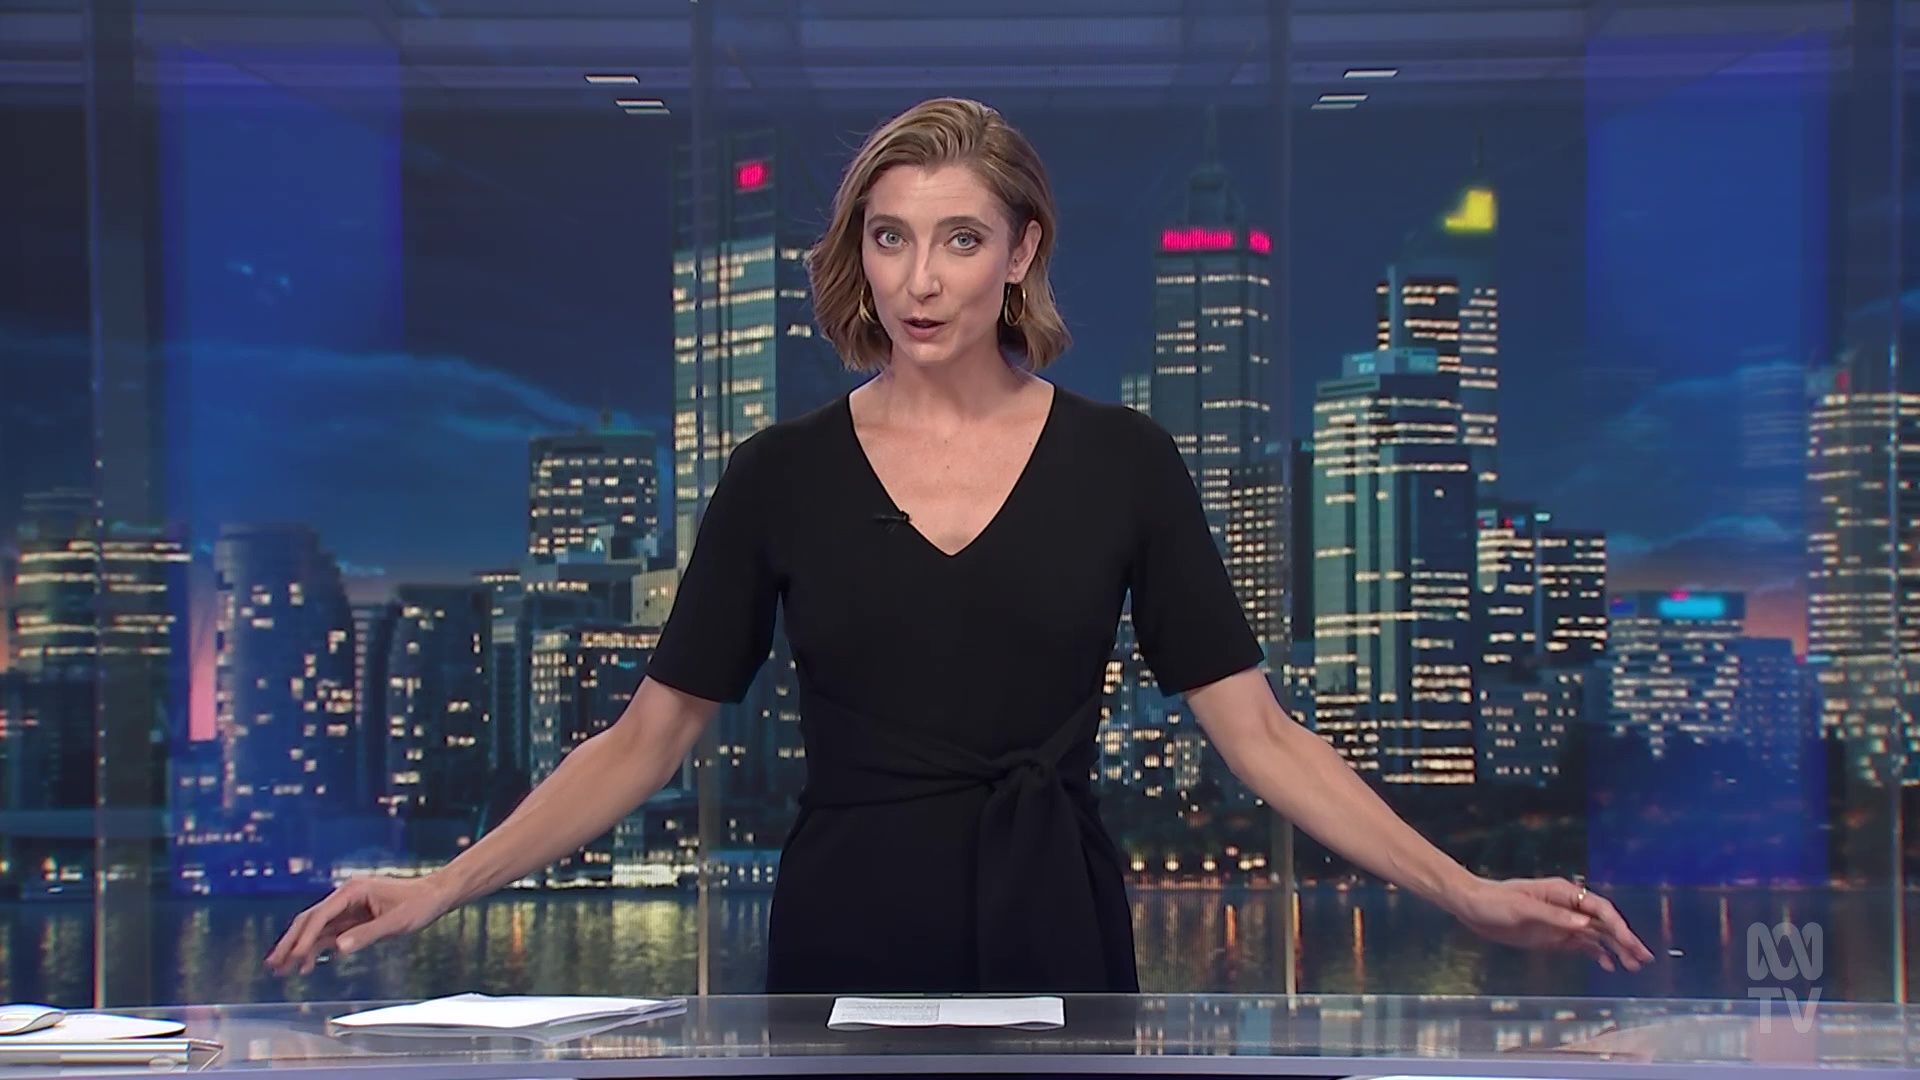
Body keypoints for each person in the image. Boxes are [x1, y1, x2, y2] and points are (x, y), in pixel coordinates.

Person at [266, 97, 1654, 992]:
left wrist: (1463, 891)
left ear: (1021, 252)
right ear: (858, 254)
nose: (920, 281)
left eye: (959, 240)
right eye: (890, 239)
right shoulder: (779, 475)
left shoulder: (1126, 460)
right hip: (843, 931)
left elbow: (1263, 739)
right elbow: (644, 742)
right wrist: (441, 888)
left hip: (1058, 923)